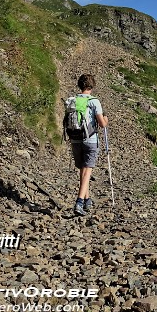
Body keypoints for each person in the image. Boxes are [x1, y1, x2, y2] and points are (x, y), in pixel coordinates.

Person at [65, 74, 108, 216]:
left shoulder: (73, 100)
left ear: (80, 85)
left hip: (75, 139)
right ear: (92, 86)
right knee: (87, 171)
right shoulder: (94, 101)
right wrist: (106, 119)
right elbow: (102, 124)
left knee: (82, 170)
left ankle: (87, 199)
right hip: (90, 139)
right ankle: (79, 202)